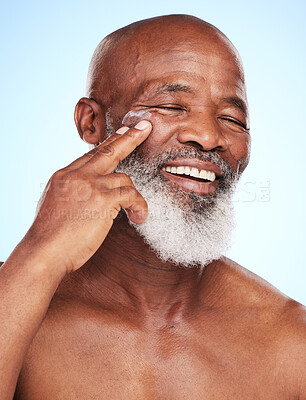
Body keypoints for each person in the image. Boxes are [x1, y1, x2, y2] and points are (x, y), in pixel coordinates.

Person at [0, 14, 305, 400]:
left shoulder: (291, 343)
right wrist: (39, 256)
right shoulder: (14, 301)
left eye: (232, 118)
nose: (209, 137)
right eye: (173, 107)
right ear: (91, 123)